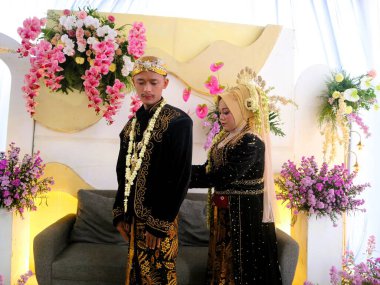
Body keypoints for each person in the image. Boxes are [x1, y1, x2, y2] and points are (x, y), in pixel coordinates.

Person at [190, 77, 282, 284]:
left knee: (240, 266)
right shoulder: (227, 137)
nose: (221, 118)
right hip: (227, 212)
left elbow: (225, 175)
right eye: (220, 112)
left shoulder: (250, 140)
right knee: (222, 260)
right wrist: (183, 171)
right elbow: (209, 169)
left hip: (245, 214)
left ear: (243, 110)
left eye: (227, 112)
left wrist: (183, 178)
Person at [113, 56, 193, 285]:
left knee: (160, 275)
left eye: (153, 82)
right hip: (132, 217)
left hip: (160, 219)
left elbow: (180, 176)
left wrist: (159, 224)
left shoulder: (178, 122)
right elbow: (122, 172)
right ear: (134, 83)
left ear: (165, 84)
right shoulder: (131, 126)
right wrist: (120, 212)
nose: (147, 89)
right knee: (136, 272)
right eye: (141, 82)